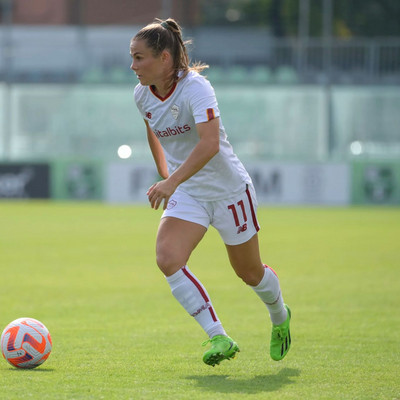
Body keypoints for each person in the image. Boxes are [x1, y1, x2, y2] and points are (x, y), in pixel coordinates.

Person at [130, 18, 291, 366]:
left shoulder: (196, 88)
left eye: (140, 57)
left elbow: (210, 144)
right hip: (190, 193)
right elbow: (153, 133)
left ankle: (280, 315)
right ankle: (217, 335)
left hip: (229, 192)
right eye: (132, 57)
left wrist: (171, 182)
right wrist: (167, 176)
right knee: (167, 259)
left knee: (249, 273)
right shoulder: (141, 94)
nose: (133, 66)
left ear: (165, 59)